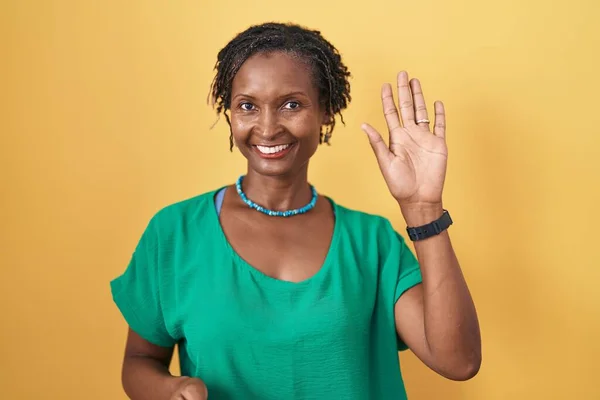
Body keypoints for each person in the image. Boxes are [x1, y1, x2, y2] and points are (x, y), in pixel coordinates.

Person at [110, 22, 481, 400]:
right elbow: (140, 359)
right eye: (248, 106)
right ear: (229, 114)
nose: (268, 128)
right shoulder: (175, 233)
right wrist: (172, 389)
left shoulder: (372, 244)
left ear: (326, 113)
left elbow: (459, 361)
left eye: (291, 104)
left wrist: (423, 209)